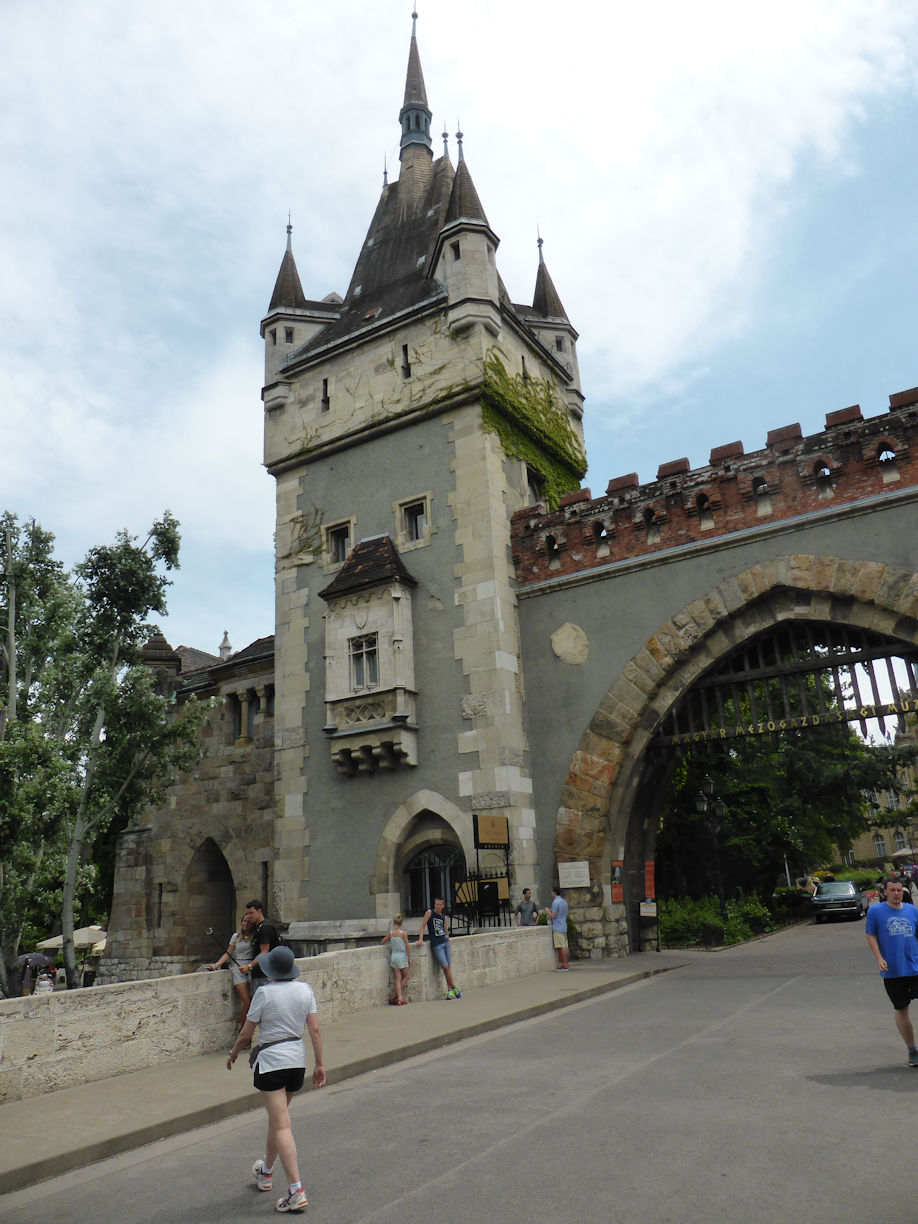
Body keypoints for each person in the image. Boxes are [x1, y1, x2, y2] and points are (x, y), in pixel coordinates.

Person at [227, 945, 326, 1213]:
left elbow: (246, 1034)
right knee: (277, 1120)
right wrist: (319, 1064)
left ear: (270, 969)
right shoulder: (305, 990)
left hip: (271, 1063)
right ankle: (266, 1173)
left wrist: (234, 1054)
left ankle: (297, 1190)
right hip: (296, 1063)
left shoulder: (264, 993)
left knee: (282, 1126)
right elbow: (314, 1030)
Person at [865, 876, 918, 1067]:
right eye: (892, 890)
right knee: (902, 1009)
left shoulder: (912, 910)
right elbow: (871, 935)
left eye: (899, 890)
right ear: (884, 892)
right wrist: (879, 958)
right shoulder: (876, 912)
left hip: (915, 967)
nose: (896, 893)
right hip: (894, 971)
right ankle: (912, 1051)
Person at [209, 912, 256, 1026]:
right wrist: (216, 965)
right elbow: (228, 954)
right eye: (244, 921)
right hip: (238, 969)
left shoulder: (255, 936)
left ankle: (247, 1031)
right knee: (247, 1001)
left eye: (248, 922)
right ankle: (243, 1031)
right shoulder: (236, 936)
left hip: (251, 968)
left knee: (252, 1002)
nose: (245, 924)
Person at [415, 896, 461, 999]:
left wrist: (448, 939)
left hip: (445, 942)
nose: (438, 906)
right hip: (437, 944)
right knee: (445, 966)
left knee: (448, 967)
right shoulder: (429, 913)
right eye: (436, 904)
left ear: (443, 905)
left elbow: (445, 930)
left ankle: (449, 991)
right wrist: (421, 939)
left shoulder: (444, 917)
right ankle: (455, 987)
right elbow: (422, 926)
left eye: (440, 905)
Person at [243, 899, 281, 993]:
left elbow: (264, 951)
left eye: (251, 913)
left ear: (259, 911)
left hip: (264, 974)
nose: (249, 916)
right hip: (260, 974)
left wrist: (249, 966)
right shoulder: (258, 928)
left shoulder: (265, 928)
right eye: (247, 914)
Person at [380, 913, 411, 1004]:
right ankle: (396, 996)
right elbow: (407, 947)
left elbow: (383, 941)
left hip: (394, 956)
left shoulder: (391, 933)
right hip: (402, 956)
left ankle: (398, 997)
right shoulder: (403, 933)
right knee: (406, 976)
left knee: (398, 978)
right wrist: (409, 958)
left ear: (394, 923)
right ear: (401, 923)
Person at [546, 886, 570, 970]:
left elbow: (554, 915)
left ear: (554, 892)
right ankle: (566, 963)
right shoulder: (564, 901)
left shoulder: (555, 902)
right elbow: (564, 913)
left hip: (557, 926)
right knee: (565, 945)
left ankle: (565, 964)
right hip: (563, 925)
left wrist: (548, 911)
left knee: (562, 946)